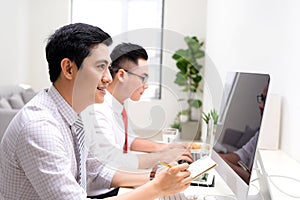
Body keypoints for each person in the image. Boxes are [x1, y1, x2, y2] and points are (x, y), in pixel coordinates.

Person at [0, 23, 193, 200]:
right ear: (68, 69)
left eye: (108, 68)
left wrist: (155, 178)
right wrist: (158, 187)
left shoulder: (78, 113)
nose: (109, 78)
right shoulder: (40, 127)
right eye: (101, 67)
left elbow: (97, 171)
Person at [85, 43, 192, 170]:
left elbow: (128, 140)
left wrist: (164, 148)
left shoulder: (117, 106)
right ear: (121, 75)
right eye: (143, 78)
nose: (146, 85)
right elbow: (111, 164)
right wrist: (162, 157)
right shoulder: (100, 110)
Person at [219, 82, 269, 183]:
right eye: (261, 99)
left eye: (266, 100)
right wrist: (214, 157)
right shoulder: (259, 134)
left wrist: (221, 162)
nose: (260, 105)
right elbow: (241, 155)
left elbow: (251, 179)